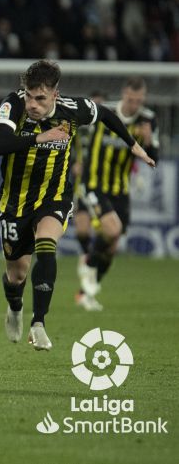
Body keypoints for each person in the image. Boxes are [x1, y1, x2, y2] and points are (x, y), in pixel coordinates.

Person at [0, 60, 154, 351]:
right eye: (29, 95)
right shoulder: (13, 104)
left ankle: (38, 324)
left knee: (47, 243)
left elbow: (104, 114)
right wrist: (40, 137)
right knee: (17, 274)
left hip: (55, 196)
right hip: (16, 201)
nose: (33, 104)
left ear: (55, 94)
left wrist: (132, 144)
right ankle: (15, 307)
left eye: (40, 98)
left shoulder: (72, 110)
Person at [74, 77, 159, 311]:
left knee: (111, 248)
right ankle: (87, 261)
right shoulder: (105, 112)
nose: (134, 105)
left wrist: (149, 140)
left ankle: (86, 293)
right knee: (110, 230)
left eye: (139, 100)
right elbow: (79, 136)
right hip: (94, 184)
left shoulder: (148, 120)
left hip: (120, 190)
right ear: (124, 94)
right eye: (131, 99)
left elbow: (154, 158)